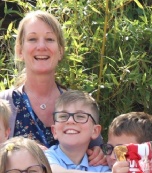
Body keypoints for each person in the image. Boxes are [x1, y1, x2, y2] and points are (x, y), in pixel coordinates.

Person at [0, 10, 103, 164]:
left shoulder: (80, 104)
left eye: (49, 39)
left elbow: (98, 148)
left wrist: (100, 153)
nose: (41, 46)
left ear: (60, 51)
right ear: (20, 50)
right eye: (33, 39)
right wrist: (21, 150)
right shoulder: (4, 103)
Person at [45, 89, 127, 173]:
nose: (70, 121)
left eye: (80, 116)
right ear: (54, 131)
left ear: (95, 131)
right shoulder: (46, 157)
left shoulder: (99, 168)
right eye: (62, 116)